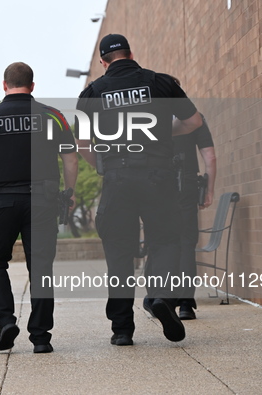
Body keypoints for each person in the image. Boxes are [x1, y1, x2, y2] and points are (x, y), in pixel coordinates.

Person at [75, 34, 203, 345]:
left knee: (119, 251)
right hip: (158, 176)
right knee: (167, 239)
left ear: (103, 62)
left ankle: (122, 330)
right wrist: (162, 132)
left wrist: (102, 166)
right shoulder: (160, 83)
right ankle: (160, 296)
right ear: (131, 53)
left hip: (118, 177)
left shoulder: (92, 92)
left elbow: (81, 142)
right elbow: (194, 122)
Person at [0, 62, 78, 354]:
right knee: (41, 267)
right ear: (32, 86)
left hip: (3, 201)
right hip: (43, 200)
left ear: (4, 85)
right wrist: (69, 192)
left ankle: (5, 320)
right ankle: (41, 337)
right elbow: (71, 159)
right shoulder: (54, 116)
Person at [172, 111, 216, 320]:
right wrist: (209, 190)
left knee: (159, 241)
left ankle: (158, 298)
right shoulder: (194, 117)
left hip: (157, 183)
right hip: (187, 184)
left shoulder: (151, 114)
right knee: (186, 243)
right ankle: (186, 304)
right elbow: (210, 156)